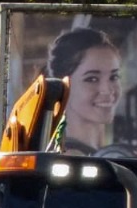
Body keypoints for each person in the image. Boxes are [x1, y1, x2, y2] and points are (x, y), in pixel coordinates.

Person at [45, 26, 124, 156]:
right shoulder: (65, 160)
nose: (107, 90)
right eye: (92, 79)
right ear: (64, 85)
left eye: (113, 77)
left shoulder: (111, 154)